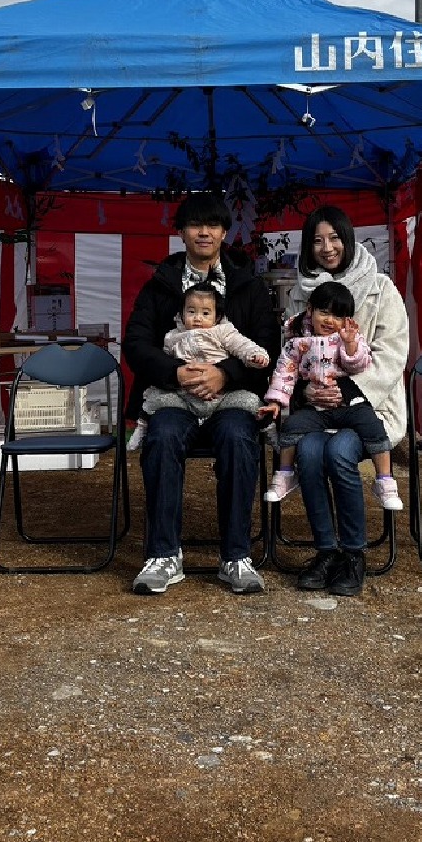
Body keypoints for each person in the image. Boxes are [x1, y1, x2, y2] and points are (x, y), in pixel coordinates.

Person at [123, 191, 280, 596]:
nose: (204, 232)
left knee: (238, 436)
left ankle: (236, 556)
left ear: (225, 232)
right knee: (163, 435)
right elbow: (136, 344)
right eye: (195, 224)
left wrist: (224, 375)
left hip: (232, 397)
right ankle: (163, 554)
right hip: (174, 395)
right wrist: (175, 372)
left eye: (213, 224)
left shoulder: (248, 286)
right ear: (181, 232)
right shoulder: (161, 285)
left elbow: (267, 346)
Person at [281, 205, 409, 597]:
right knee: (309, 454)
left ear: (348, 239)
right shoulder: (299, 294)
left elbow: (392, 354)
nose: (327, 248)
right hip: (316, 409)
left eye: (334, 238)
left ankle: (353, 554)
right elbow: (288, 355)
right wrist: (305, 391)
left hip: (368, 409)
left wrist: (348, 392)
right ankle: (325, 551)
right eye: (318, 240)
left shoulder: (381, 288)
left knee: (338, 453)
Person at [257, 280, 403, 511]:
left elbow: (360, 365)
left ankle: (385, 480)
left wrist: (350, 345)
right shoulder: (297, 343)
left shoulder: (348, 339)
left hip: (349, 405)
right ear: (310, 309)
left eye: (337, 316)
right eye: (324, 312)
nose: (329, 321)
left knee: (373, 426)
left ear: (346, 320)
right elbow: (285, 373)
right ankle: (285, 474)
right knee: (292, 426)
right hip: (315, 408)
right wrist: (275, 402)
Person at [127, 281, 271, 450]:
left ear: (217, 316)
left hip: (222, 395)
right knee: (154, 400)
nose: (197, 318)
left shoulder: (223, 331)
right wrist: (175, 372)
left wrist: (252, 357)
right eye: (191, 312)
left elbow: (242, 345)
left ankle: (270, 430)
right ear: (182, 314)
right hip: (183, 395)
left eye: (205, 313)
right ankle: (141, 428)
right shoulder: (173, 336)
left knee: (250, 402)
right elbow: (156, 355)